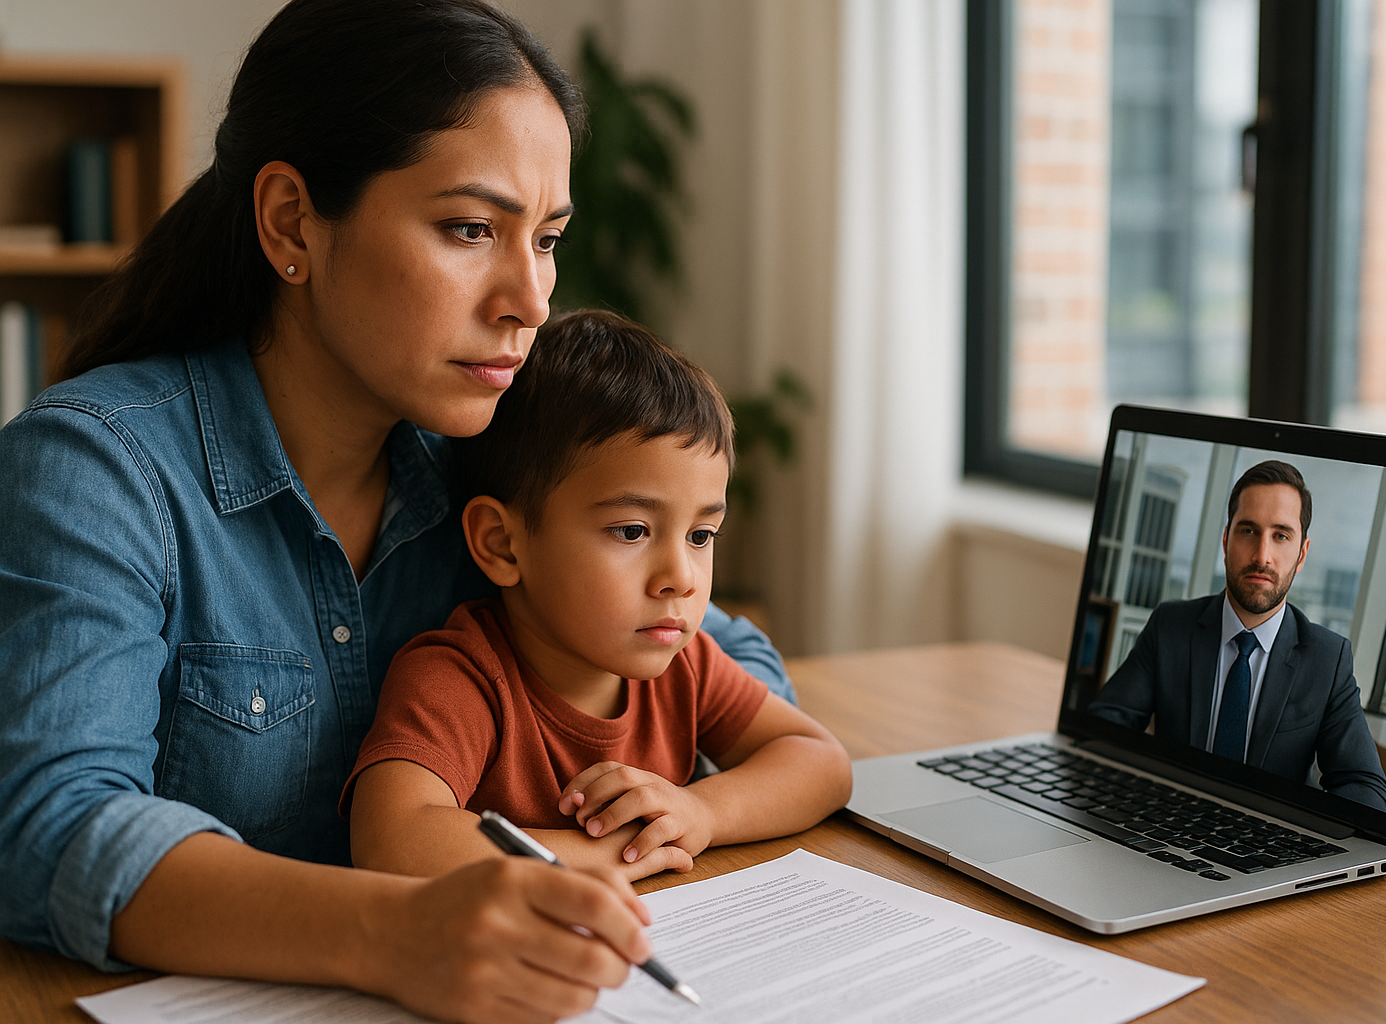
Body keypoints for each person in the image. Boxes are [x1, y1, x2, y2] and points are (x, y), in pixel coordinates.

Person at [0, 3, 794, 1022]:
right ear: (292, 222)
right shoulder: (94, 469)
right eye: (470, 229)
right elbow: (51, 830)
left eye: (547, 238)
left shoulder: (485, 460)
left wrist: (665, 810)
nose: (531, 300)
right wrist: (397, 931)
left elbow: (723, 656)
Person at [344, 311, 851, 881]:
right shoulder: (461, 681)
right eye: (632, 531)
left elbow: (822, 762)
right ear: (503, 544)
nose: (681, 578)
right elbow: (391, 838)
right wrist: (617, 854)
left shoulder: (686, 668)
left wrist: (701, 812)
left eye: (700, 536)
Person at [1088, 461, 1386, 814]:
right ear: (1226, 540)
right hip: (1168, 819)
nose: (1262, 556)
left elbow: (1368, 791)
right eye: (1248, 531)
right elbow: (1102, 730)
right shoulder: (1170, 626)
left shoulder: (1328, 659)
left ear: (1302, 554)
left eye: (1281, 535)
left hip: (1269, 835)